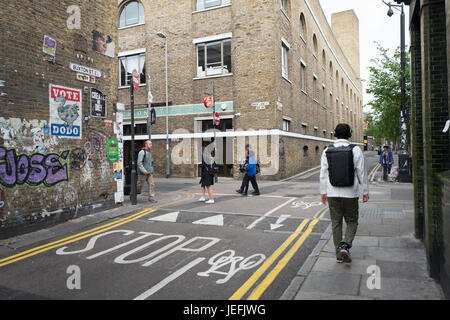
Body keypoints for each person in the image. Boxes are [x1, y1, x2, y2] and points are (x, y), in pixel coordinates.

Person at [320, 123, 369, 263]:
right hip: (350, 194)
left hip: (332, 193)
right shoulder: (355, 150)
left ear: (335, 134)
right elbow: (362, 172)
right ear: (349, 134)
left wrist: (323, 191)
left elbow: (323, 173)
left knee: (336, 223)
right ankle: (345, 245)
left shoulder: (326, 151)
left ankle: (339, 256)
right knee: (352, 221)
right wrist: (365, 191)